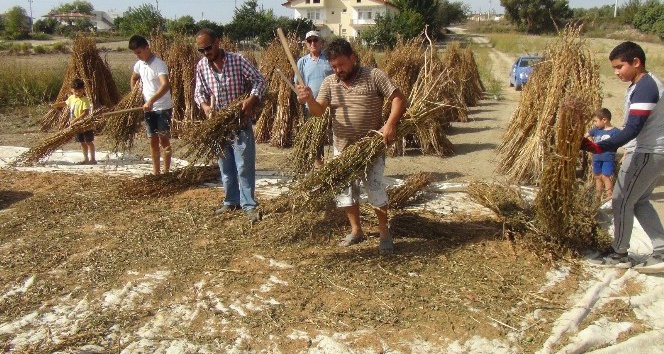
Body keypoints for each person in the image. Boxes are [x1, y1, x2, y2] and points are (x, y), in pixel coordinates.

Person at [296, 38, 407, 254]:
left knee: (375, 189)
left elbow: (398, 99)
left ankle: (384, 232)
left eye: (341, 65)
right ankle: (356, 231)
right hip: (343, 148)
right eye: (334, 66)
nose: (338, 70)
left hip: (370, 148)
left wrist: (390, 125)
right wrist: (309, 99)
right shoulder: (330, 83)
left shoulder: (373, 76)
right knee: (346, 192)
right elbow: (318, 111)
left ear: (353, 58)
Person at [582, 41, 664, 270]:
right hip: (652, 151)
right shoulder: (641, 85)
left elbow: (632, 129)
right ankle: (661, 251)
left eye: (620, 67)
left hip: (646, 152)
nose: (617, 72)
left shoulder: (647, 87)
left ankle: (620, 255)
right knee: (639, 201)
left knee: (621, 200)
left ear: (636, 62)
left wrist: (599, 147)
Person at [193, 28, 266, 223]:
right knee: (225, 166)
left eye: (208, 47)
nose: (206, 53)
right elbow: (198, 93)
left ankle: (249, 204)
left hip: (240, 123)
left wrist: (251, 99)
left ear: (217, 42)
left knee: (244, 165)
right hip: (218, 126)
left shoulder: (238, 60)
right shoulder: (201, 66)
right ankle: (231, 201)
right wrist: (206, 107)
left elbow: (260, 81)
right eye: (201, 50)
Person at [128, 34, 173, 175]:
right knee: (152, 140)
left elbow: (165, 85)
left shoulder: (159, 64)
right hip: (148, 109)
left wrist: (151, 101)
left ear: (147, 48)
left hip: (162, 108)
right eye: (135, 53)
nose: (137, 56)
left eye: (139, 52)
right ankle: (156, 172)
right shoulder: (139, 64)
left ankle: (166, 172)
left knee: (163, 140)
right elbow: (134, 78)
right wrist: (136, 95)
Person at [295, 30, 334, 167]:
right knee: (315, 137)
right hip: (311, 106)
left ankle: (335, 163)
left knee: (333, 135)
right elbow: (298, 84)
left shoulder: (329, 59)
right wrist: (300, 96)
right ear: (306, 44)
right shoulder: (302, 62)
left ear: (321, 42)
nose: (313, 43)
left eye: (315, 40)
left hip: (330, 106)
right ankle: (319, 165)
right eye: (309, 41)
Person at [51, 78, 96, 165]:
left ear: (83, 90)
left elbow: (86, 112)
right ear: (72, 90)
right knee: (82, 142)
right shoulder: (72, 98)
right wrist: (55, 105)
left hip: (85, 124)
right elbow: (65, 103)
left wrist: (75, 119)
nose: (77, 93)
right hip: (76, 125)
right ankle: (86, 159)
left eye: (79, 91)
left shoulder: (84, 100)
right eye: (75, 91)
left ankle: (93, 159)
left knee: (89, 142)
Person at [584, 108, 619, 200]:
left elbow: (623, 142)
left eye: (596, 121)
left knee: (606, 176)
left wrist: (626, 154)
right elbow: (585, 136)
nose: (595, 123)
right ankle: (597, 196)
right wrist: (591, 142)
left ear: (604, 120)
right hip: (597, 158)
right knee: (598, 177)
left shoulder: (615, 132)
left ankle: (609, 196)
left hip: (608, 158)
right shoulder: (596, 130)